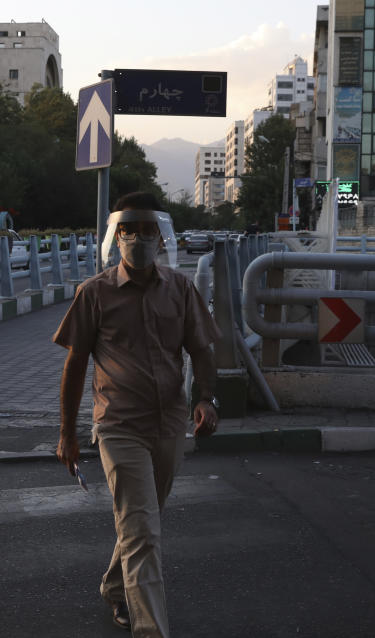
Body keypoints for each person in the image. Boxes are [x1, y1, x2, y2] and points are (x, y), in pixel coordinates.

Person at [53, 191, 221, 637]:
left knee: (142, 521)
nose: (140, 239)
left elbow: (202, 349)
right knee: (143, 530)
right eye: (131, 230)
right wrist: (67, 433)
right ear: (118, 234)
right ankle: (151, 630)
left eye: (149, 231)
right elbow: (75, 366)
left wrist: (206, 399)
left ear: (161, 237)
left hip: (169, 423)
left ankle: (114, 586)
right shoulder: (95, 294)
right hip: (118, 426)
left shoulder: (181, 289)